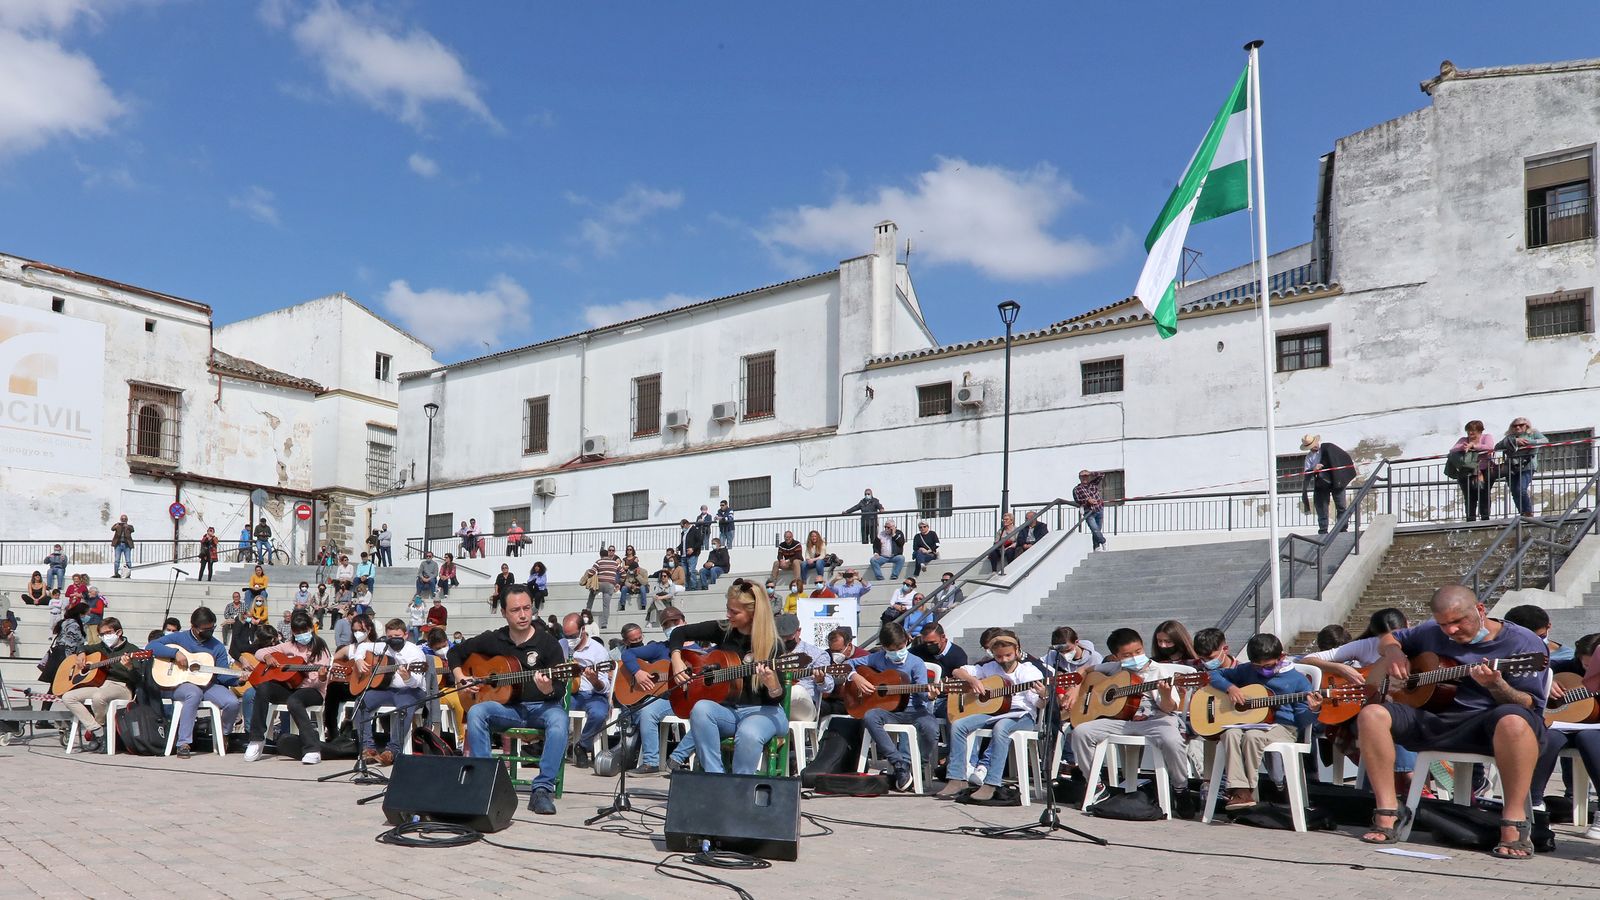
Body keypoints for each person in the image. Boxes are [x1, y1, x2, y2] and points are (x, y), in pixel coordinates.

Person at [1355, 585, 1548, 858]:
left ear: (1480, 610)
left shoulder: (1523, 643)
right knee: (1371, 714)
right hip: (1437, 720)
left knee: (1514, 721)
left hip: (1490, 726)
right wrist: (1394, 653)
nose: (1451, 631)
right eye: (1444, 624)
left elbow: (1529, 704)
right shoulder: (1431, 632)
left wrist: (1496, 686)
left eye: (1458, 622)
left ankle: (1514, 819)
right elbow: (1388, 637)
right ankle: (1388, 811)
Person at [451, 587, 568, 814]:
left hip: (541, 708)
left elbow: (560, 689)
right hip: (507, 709)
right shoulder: (494, 639)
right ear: (504, 612)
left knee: (560, 720)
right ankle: (486, 784)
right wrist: (461, 677)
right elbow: (455, 653)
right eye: (516, 610)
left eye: (527, 608)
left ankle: (542, 790)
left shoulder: (548, 644)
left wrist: (547, 688)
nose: (523, 615)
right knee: (476, 712)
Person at [669, 581, 789, 774]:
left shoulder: (773, 645)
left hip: (765, 712)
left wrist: (773, 685)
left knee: (748, 733)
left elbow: (776, 698)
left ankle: (741, 786)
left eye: (735, 612)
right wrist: (676, 660)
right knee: (700, 709)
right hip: (730, 711)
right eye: (728, 609)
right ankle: (715, 777)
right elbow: (679, 632)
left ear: (753, 613)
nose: (728, 615)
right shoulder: (724, 630)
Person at [1066, 627, 1191, 802]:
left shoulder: (1158, 671)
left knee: (1172, 740)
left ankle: (1180, 788)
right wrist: (1075, 687)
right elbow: (1085, 670)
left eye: (1138, 651)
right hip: (1121, 720)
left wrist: (1165, 694)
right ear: (1116, 657)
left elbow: (1170, 708)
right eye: (1127, 655)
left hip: (1155, 719)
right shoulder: (1114, 668)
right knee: (1081, 732)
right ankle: (1097, 786)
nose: (1134, 657)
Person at [1301, 607, 1414, 795]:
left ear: (1408, 626)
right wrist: (1340, 669)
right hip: (1365, 710)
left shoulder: (1418, 644)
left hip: (1402, 710)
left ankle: (1402, 783)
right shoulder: (1367, 645)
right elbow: (1306, 660)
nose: (1391, 643)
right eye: (1385, 639)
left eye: (1397, 636)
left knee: (1396, 719)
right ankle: (1408, 781)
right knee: (1383, 721)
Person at [939, 630, 1045, 803]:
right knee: (958, 724)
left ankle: (992, 782)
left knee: (1001, 727)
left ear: (1017, 651)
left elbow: (1039, 705)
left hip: (1022, 716)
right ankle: (956, 778)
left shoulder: (1029, 672)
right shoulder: (990, 667)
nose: (1004, 660)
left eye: (1008, 655)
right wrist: (973, 680)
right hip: (994, 712)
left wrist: (1043, 695)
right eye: (999, 657)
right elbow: (959, 671)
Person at [842, 621, 937, 791]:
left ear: (906, 641)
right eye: (892, 650)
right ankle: (899, 763)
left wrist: (930, 694)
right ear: (884, 648)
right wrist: (855, 677)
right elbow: (846, 665)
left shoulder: (916, 663)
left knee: (930, 727)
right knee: (870, 716)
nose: (897, 653)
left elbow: (924, 694)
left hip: (914, 710)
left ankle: (917, 766)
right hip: (889, 710)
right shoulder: (876, 658)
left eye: (900, 647)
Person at [147, 607, 243, 758]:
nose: (210, 631)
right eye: (206, 629)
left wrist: (238, 679)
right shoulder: (179, 638)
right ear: (194, 627)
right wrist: (175, 653)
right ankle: (183, 743)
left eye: (212, 628)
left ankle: (223, 734)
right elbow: (152, 646)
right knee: (193, 693)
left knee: (232, 702)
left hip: (208, 685)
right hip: (181, 684)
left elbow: (222, 674)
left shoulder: (217, 646)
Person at [241, 609, 331, 764]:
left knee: (294, 701)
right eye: (297, 632)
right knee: (263, 687)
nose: (302, 635)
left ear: (311, 629)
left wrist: (322, 676)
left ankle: (312, 749)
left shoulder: (320, 649)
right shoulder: (288, 646)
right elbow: (259, 652)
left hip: (313, 690)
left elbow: (320, 683)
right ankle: (256, 739)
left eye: (305, 631)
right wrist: (268, 657)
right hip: (291, 688)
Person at [1533, 633, 1600, 840]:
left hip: (1595, 729)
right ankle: (1534, 804)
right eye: (1586, 665)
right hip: (1561, 726)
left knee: (1588, 739)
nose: (1590, 671)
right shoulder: (1563, 667)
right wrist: (1547, 681)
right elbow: (1534, 675)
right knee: (1550, 738)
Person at [341, 617, 428, 767]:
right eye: (390, 637)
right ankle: (368, 748)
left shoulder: (415, 653)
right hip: (389, 690)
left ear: (406, 635)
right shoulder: (384, 646)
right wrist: (359, 660)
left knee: (404, 707)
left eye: (397, 636)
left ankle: (392, 751)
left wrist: (407, 677)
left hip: (413, 690)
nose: (393, 640)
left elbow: (417, 682)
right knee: (362, 702)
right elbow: (362, 647)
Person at [622, 608, 697, 775]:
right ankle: (651, 762)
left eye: (675, 622)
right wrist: (638, 672)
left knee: (703, 716)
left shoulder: (699, 650)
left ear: (685, 621)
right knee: (647, 711)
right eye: (666, 625)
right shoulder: (661, 648)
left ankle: (677, 758)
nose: (672, 627)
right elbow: (628, 655)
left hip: (690, 699)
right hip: (666, 700)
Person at [59, 617, 141, 751]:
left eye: (108, 633)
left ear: (119, 632)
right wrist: (81, 653)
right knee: (68, 697)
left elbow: (137, 678)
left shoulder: (133, 650)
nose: (104, 637)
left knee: (98, 696)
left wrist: (130, 667)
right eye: (101, 634)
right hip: (101, 685)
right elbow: (82, 646)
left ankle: (99, 734)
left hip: (122, 687)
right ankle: (99, 731)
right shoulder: (102, 647)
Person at [560, 613, 613, 766]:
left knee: (598, 714)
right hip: (568, 693)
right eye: (566, 636)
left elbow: (604, 687)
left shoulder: (598, 650)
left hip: (593, 694)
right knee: (554, 711)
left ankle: (582, 746)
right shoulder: (561, 645)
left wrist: (594, 680)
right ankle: (550, 749)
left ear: (583, 629)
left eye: (573, 635)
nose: (569, 640)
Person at [773, 613, 830, 721]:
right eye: (781, 636)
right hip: (774, 700)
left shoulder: (817, 654)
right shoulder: (772, 652)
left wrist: (821, 680)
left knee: (796, 691)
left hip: (804, 707)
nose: (784, 640)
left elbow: (828, 689)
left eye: (788, 636)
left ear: (798, 631)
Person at [1299, 434, 1357, 535]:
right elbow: (1306, 473)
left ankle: (1342, 529)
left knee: (1341, 506)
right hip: (1321, 483)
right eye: (1310, 447)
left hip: (1336, 480)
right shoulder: (1309, 457)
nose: (1314, 447)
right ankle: (1323, 530)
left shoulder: (1328, 448)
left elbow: (1341, 458)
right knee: (1322, 508)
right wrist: (1314, 469)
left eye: (1313, 444)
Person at [1497, 417, 1547, 518]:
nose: (1518, 427)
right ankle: (1522, 513)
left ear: (1527, 425)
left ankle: (1528, 512)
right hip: (1512, 468)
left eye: (1521, 425)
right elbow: (1497, 447)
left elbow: (1545, 441)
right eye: (1515, 426)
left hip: (1527, 466)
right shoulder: (1510, 437)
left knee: (1521, 489)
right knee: (1514, 491)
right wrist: (1515, 441)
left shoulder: (1533, 433)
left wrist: (1529, 442)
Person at [1450, 420, 1498, 522]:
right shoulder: (1464, 439)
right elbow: (1453, 450)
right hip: (1467, 472)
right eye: (1468, 431)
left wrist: (1474, 446)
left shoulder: (1486, 437)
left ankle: (1485, 518)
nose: (1470, 433)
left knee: (1484, 494)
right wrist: (1464, 447)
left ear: (1480, 431)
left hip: (1485, 471)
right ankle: (1470, 519)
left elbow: (1489, 447)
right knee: (1469, 496)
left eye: (1473, 431)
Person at [584, 549, 621, 629]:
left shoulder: (599, 561)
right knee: (606, 605)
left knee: (592, 595)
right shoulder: (615, 563)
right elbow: (623, 573)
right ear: (607, 554)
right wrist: (618, 582)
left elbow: (591, 573)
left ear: (600, 555)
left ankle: (587, 611)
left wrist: (590, 576)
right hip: (610, 585)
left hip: (599, 584)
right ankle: (604, 624)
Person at [1073, 470, 1109, 551]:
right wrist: (1087, 500)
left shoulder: (1093, 484)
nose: (1085, 478)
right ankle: (1103, 541)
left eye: (1086, 476)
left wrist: (1090, 473)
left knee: (1097, 530)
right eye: (1083, 476)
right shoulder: (1076, 489)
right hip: (1088, 512)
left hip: (1099, 509)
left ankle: (1096, 547)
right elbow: (1077, 500)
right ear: (1079, 478)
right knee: (1095, 529)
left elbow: (1102, 475)